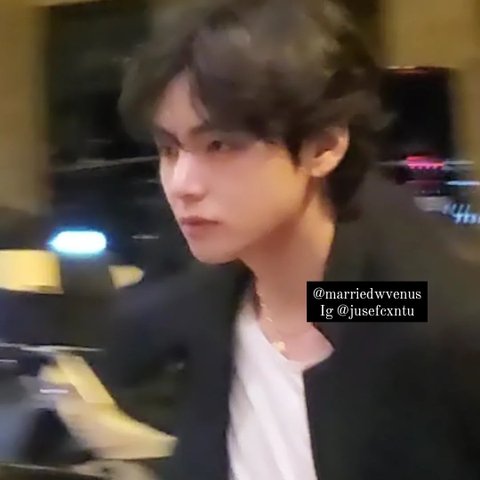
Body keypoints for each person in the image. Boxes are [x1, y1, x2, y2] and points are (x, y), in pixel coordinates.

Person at [96, 0, 480, 479]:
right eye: (169, 149)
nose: (182, 183)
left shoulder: (412, 304)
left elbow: (397, 311)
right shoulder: (214, 291)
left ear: (324, 146)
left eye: (220, 145)